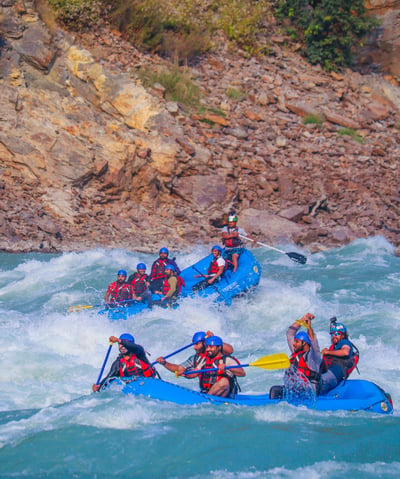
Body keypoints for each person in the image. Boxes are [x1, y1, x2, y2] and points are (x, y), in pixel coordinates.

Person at [269, 313, 339, 399]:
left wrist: (309, 326)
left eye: (296, 342)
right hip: (296, 390)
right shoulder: (297, 353)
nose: (293, 344)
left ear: (304, 343)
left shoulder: (314, 357)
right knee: (274, 390)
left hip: (310, 392)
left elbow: (313, 342)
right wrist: (302, 319)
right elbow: (290, 333)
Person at [92, 334, 156, 392]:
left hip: (149, 383)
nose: (122, 347)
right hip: (133, 389)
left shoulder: (140, 354)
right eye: (120, 345)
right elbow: (109, 378)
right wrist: (99, 387)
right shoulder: (118, 363)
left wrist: (119, 341)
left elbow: (137, 347)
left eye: (125, 345)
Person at [156, 330, 233, 376]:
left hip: (223, 390)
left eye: (196, 344)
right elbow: (179, 368)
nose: (194, 347)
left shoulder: (216, 352)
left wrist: (211, 339)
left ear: (204, 343)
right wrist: (164, 363)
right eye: (193, 344)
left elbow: (230, 350)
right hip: (209, 391)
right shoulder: (196, 358)